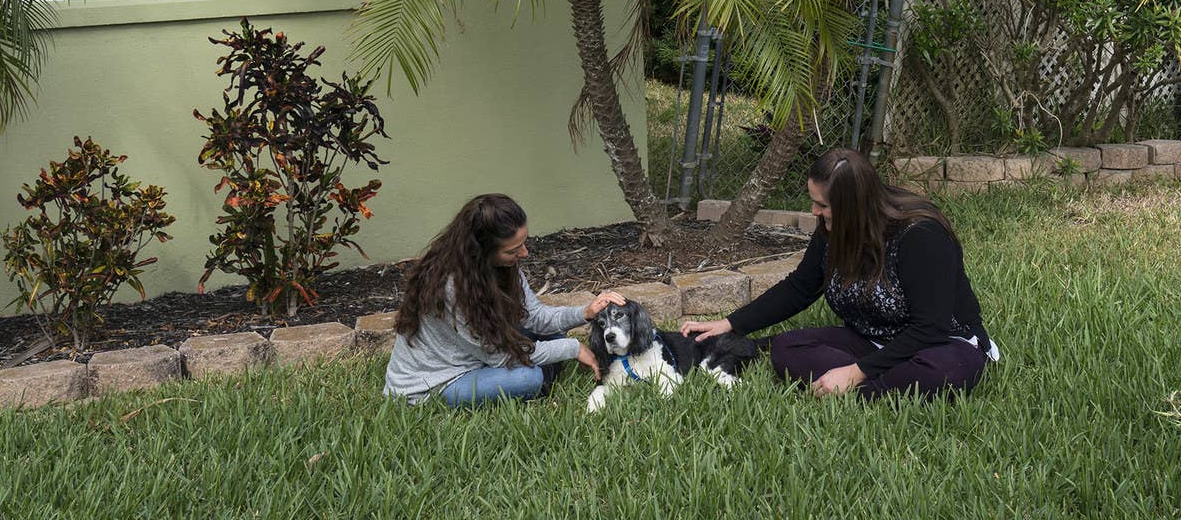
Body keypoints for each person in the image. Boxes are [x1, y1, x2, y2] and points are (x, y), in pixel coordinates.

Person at [682, 148, 997, 400]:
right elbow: (800, 288)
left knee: (945, 372)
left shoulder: (921, 236)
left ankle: (855, 387)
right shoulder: (833, 228)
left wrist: (855, 373)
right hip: (871, 340)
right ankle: (880, 387)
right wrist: (730, 323)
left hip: (941, 344)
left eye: (822, 204)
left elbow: (930, 328)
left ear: (852, 205)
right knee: (786, 349)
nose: (814, 212)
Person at [385, 193, 626, 407]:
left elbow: (535, 317)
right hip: (435, 382)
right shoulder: (451, 288)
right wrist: (572, 348)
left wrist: (585, 312)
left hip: (478, 351)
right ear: (481, 252)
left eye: (523, 243)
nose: (524, 254)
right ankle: (540, 379)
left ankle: (542, 369)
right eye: (513, 250)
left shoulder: (499, 266)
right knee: (528, 379)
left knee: (553, 335)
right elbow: (499, 357)